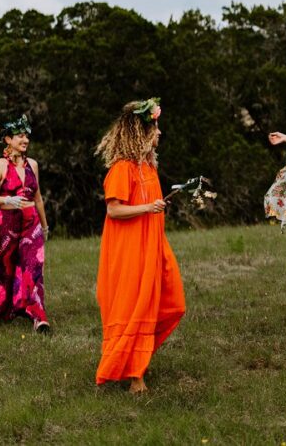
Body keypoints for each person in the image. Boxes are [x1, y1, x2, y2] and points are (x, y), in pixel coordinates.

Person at [94, 98, 186, 392]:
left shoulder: (147, 167)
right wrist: (147, 209)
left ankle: (134, 359)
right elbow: (114, 210)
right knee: (136, 308)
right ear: (141, 131)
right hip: (129, 250)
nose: (159, 133)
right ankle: (136, 375)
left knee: (174, 304)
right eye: (155, 127)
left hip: (153, 244)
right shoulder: (122, 168)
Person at [0, 115, 50, 332]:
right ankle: (1, 310)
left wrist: (44, 226)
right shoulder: (0, 165)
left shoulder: (32, 165)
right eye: (20, 135)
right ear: (8, 139)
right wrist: (6, 199)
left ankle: (38, 316)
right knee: (2, 269)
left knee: (32, 268)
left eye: (26, 135)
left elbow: (37, 198)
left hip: (31, 223)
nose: (25, 139)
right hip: (6, 222)